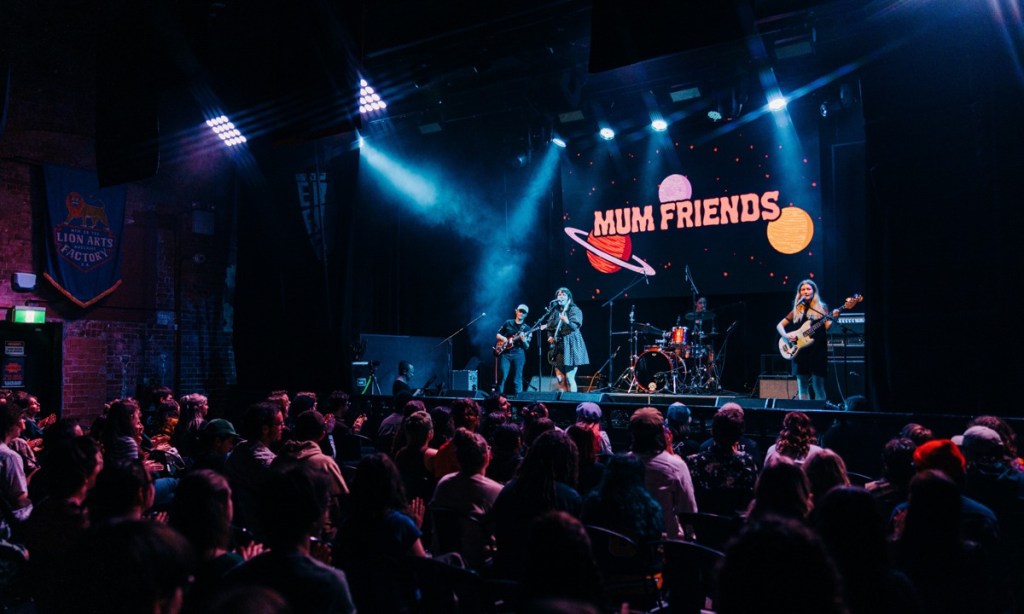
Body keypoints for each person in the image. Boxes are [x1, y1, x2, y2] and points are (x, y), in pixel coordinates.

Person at [776, 279, 837, 400]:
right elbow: (779, 325)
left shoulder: (822, 308)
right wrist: (786, 336)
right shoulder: (797, 309)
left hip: (818, 351)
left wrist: (835, 317)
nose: (805, 291)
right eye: (802, 289)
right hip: (799, 351)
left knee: (818, 386)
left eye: (808, 289)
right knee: (802, 387)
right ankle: (805, 414)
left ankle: (821, 414)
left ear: (814, 291)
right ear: (799, 293)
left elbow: (829, 328)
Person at [541, 287, 589, 392]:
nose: (560, 296)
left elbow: (575, 326)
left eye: (563, 294)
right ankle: (563, 403)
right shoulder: (555, 311)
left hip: (571, 344)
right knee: (560, 379)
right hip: (558, 345)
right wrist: (549, 336)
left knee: (569, 378)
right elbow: (549, 327)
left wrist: (567, 321)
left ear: (568, 297)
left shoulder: (574, 309)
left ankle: (572, 402)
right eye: (559, 295)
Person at [495, 303, 532, 395]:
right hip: (505, 353)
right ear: (516, 311)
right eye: (520, 311)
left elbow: (527, 346)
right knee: (503, 376)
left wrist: (523, 340)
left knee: (517, 379)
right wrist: (504, 338)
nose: (521, 313)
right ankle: (498, 399)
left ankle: (519, 401)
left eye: (524, 312)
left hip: (519, 354)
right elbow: (498, 334)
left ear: (526, 315)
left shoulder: (527, 328)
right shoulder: (508, 322)